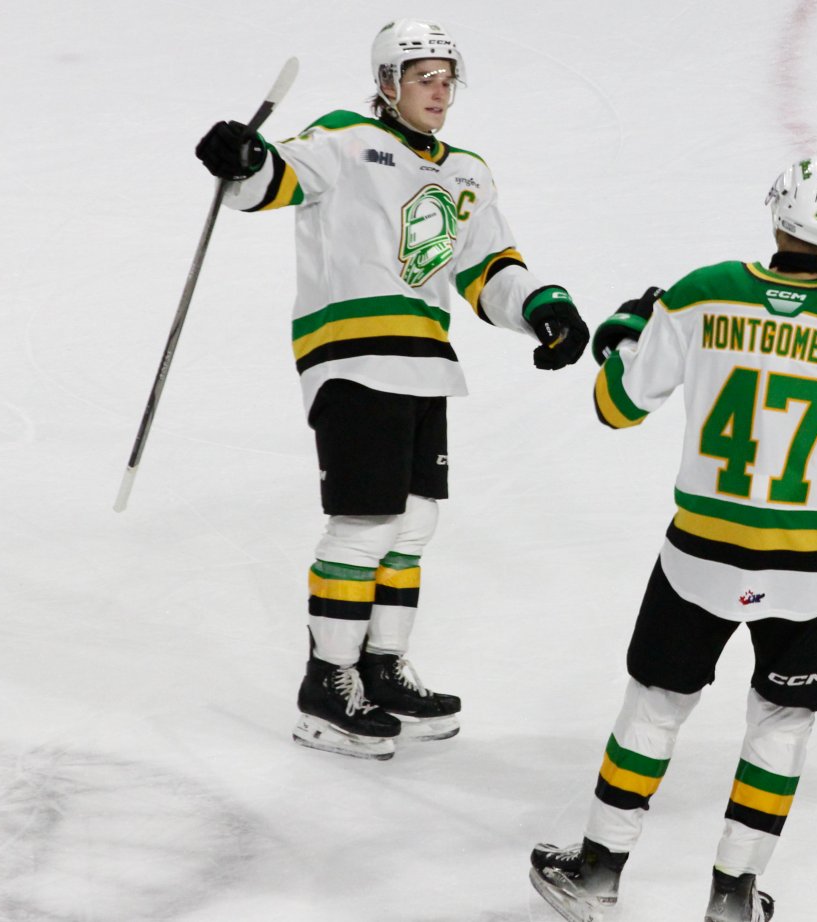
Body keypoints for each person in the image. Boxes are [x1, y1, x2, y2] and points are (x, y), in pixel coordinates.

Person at [528, 157, 817, 921]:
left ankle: (599, 875)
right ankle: (733, 899)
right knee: (782, 724)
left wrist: (621, 341)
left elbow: (618, 405)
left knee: (656, 706)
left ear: (774, 212)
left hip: (700, 557)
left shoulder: (702, 291)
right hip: (812, 570)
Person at [194, 19, 589, 761]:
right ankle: (327, 684)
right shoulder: (344, 139)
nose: (438, 91)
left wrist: (543, 308)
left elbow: (488, 266)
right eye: (422, 77)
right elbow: (273, 180)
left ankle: (380, 670)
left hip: (424, 360)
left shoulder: (468, 171)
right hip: (352, 353)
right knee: (367, 522)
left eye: (446, 78)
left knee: (411, 523)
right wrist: (241, 160)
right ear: (386, 84)